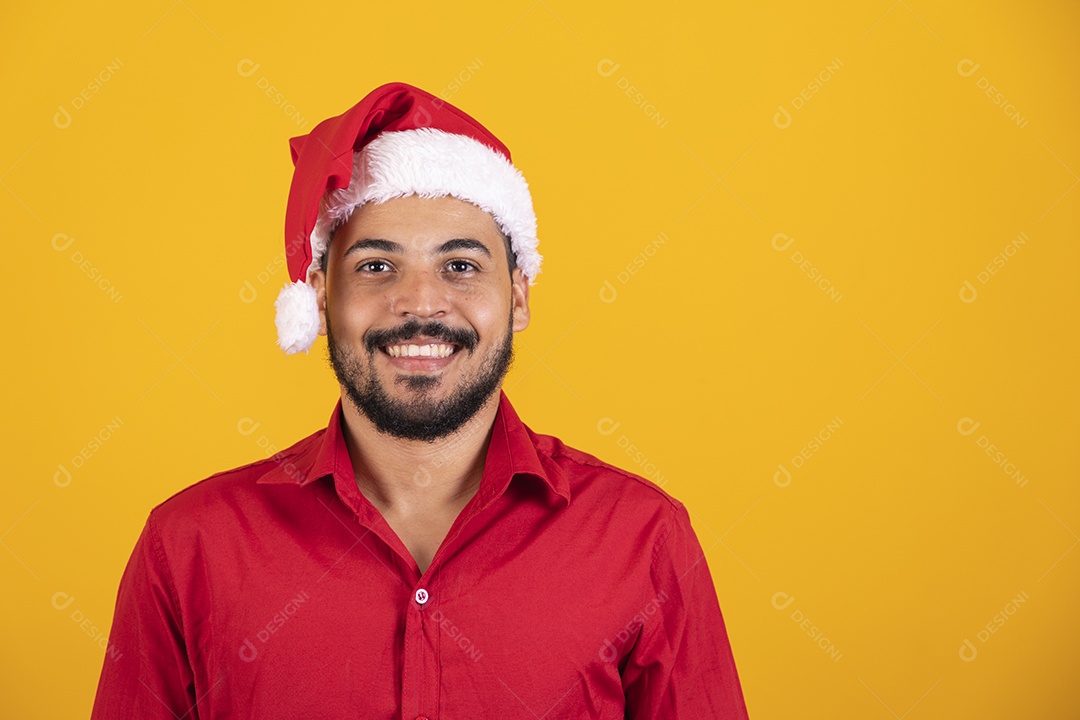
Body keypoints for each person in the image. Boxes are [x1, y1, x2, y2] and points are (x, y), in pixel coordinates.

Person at [90, 81, 749, 719]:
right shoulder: (188, 549)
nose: (421, 304)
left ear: (518, 296)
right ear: (320, 295)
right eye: (376, 266)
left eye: (460, 266)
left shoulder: (644, 540)